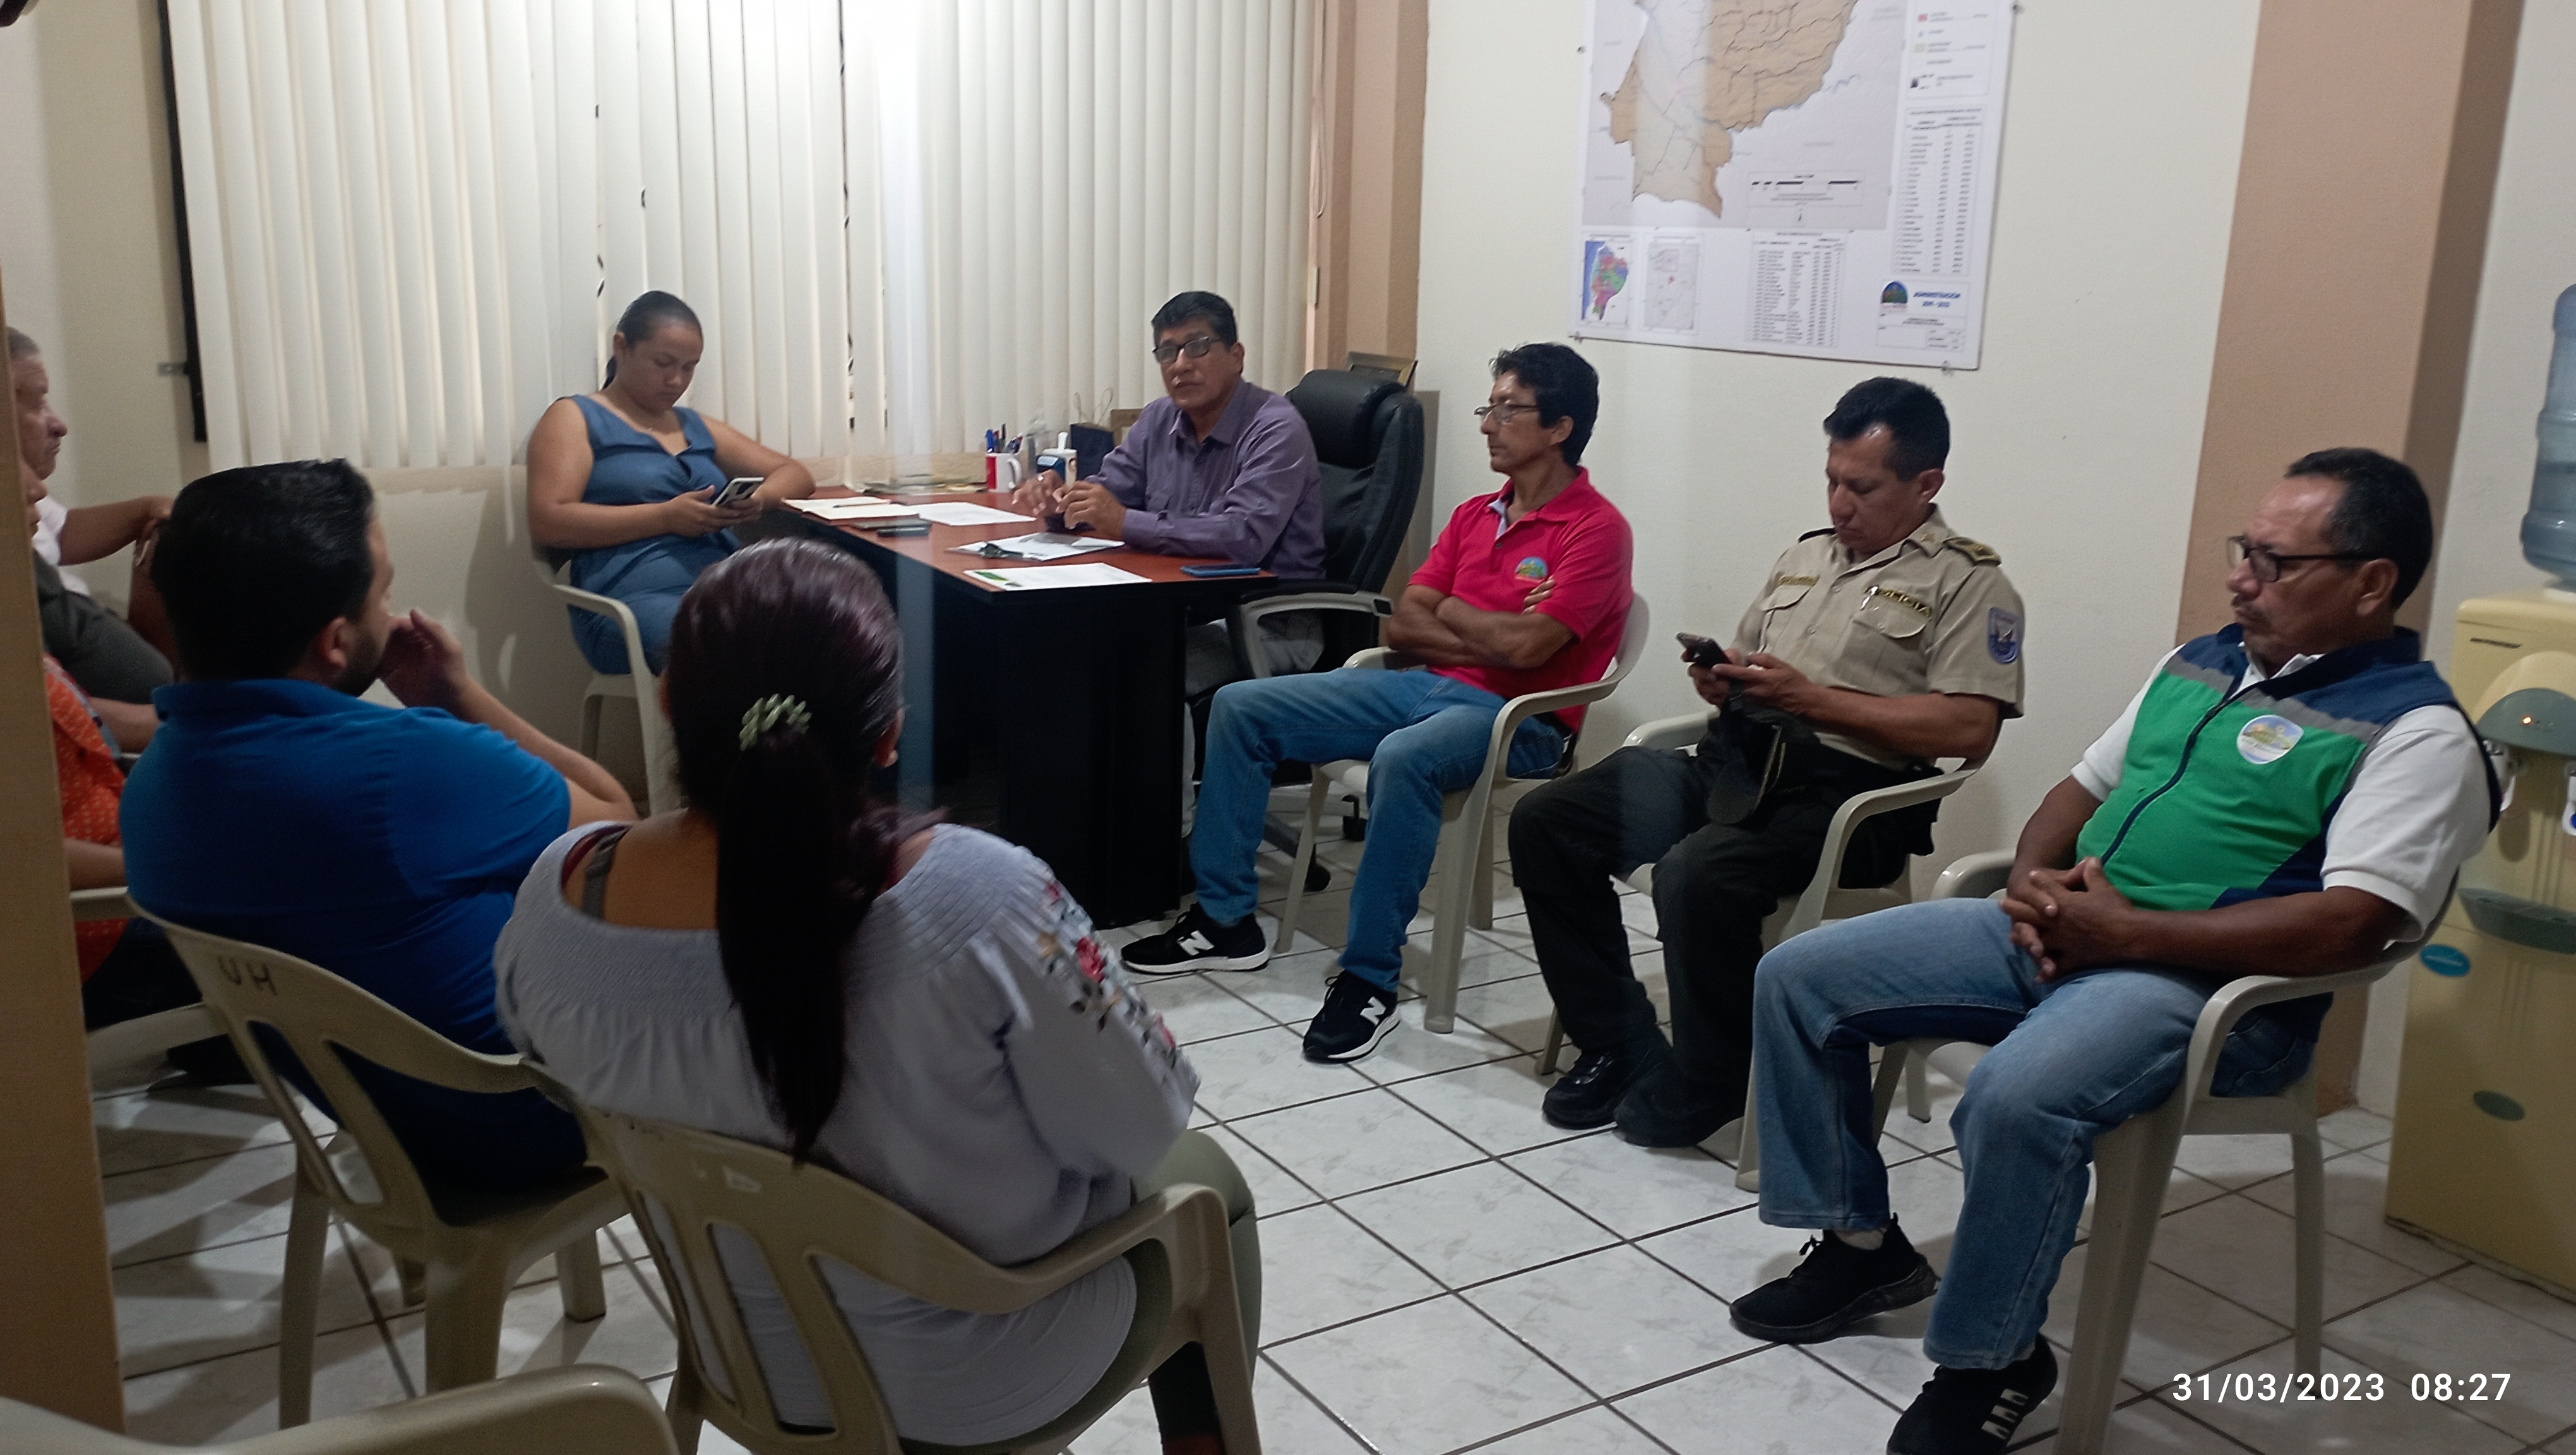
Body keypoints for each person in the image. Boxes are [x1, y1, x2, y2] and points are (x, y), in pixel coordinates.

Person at [1732, 449, 2492, 1454]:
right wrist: (2032, 888)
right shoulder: (2203, 662)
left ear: (2371, 583)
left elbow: (2352, 923)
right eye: (2244, 550)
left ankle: (1994, 1360)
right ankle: (1861, 1245)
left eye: (2275, 562)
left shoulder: (2417, 731)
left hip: (2208, 992)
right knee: (1800, 975)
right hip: (2074, 933)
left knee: (2016, 1095)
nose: (2241, 578)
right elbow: (2077, 793)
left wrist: (2126, 935)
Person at [495, 539, 1258, 1455]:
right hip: (984, 1379)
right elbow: (1142, 1128)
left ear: (667, 703)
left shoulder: (561, 897)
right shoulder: (985, 899)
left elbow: (537, 1055)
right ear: (890, 731)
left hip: (746, 1361)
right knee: (1210, 1184)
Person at [1510, 378, 2026, 1143]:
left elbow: (1969, 728)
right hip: (1741, 765)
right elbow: (1759, 666)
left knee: (1698, 873)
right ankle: (1620, 1043)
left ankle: (1712, 1078)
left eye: (1862, 487)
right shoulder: (1806, 556)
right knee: (1548, 819)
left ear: (1927, 485)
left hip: (1850, 799)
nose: (1839, 503)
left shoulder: (1970, 583)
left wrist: (1811, 701)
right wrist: (1727, 683)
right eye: (1832, 480)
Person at [121, 460, 635, 1194]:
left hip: (375, 1117)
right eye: (384, 593)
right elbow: (612, 823)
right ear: (335, 641)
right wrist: (457, 694)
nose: (392, 615)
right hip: (532, 1119)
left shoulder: (156, 781)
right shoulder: (407, 768)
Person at [1123, 343, 1635, 1065]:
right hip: (1424, 683)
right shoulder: (1474, 514)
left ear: (1560, 427)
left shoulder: (1597, 531)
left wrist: (1454, 616)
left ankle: (1369, 980)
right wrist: (1480, 625)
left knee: (1405, 758)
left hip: (1522, 719)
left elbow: (1528, 654)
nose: (1487, 424)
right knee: (1241, 707)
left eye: (1507, 409)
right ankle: (1226, 920)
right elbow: (1403, 625)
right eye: (1488, 406)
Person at [25, 477, 239, 1079]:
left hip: (127, 886)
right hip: (96, 925)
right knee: (305, 914)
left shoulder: (19, 621)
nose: (37, 490)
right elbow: (19, 856)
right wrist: (169, 865)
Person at [1010, 289, 1325, 695]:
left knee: (1141, 673)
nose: (1180, 365)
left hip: (1264, 622)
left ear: (1237, 356)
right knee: (1053, 647)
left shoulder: (1275, 428)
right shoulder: (1159, 418)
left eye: (1197, 347)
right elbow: (1107, 493)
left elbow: (1242, 537)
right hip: (1176, 609)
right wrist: (1061, 502)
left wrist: (1123, 521)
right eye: (1167, 352)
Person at [526, 290, 814, 676]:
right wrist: (664, 518)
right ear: (622, 347)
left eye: (689, 368)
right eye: (663, 363)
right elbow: (549, 522)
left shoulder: (694, 424)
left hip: (722, 587)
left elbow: (796, 475)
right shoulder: (574, 417)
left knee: (826, 630)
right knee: (732, 645)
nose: (676, 380)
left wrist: (760, 499)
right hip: (630, 599)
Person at [12, 326, 176, 705]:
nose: (59, 425)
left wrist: (151, 511)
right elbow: (46, 708)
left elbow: (62, 531)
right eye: (37, 405)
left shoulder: (26, 495)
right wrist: (172, 724)